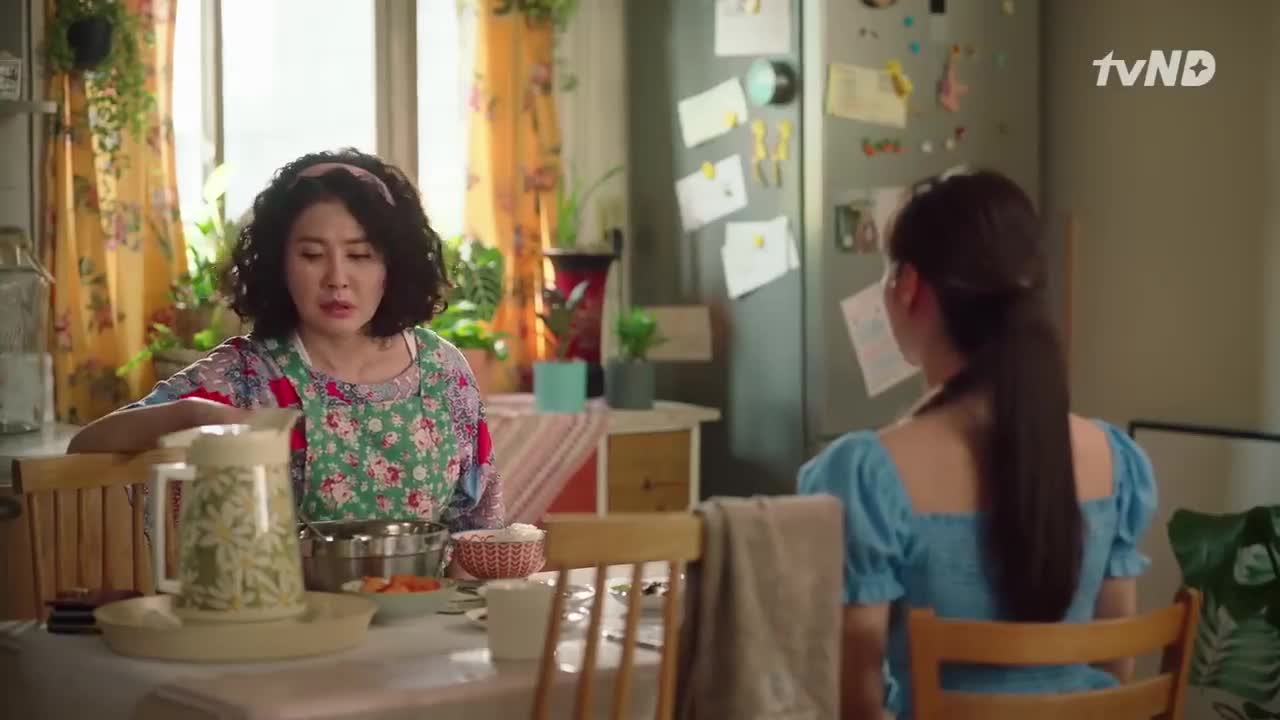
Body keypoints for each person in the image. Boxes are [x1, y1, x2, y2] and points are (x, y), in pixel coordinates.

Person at [797, 170, 1156, 719]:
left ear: (909, 286)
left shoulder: (868, 474)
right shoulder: (1115, 463)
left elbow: (855, 703)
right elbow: (1115, 674)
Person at [69, 148, 504, 532]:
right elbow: (85, 446)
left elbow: (476, 526)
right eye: (312, 255)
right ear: (279, 264)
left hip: (424, 598)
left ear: (393, 264)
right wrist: (192, 413)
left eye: (359, 255)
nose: (337, 279)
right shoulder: (244, 375)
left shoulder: (442, 370)